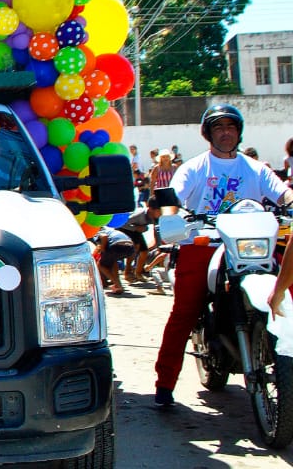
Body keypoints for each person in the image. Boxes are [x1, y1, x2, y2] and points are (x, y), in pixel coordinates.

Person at [155, 104, 292, 408]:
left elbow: (281, 192)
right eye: (219, 127)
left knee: (285, 294)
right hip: (203, 244)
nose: (226, 133)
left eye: (231, 127)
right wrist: (170, 217)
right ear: (208, 134)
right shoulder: (194, 167)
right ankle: (164, 383)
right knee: (184, 311)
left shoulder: (254, 167)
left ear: (239, 132)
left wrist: (290, 199)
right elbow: (173, 197)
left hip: (248, 244)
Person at [92, 226, 135, 295]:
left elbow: (103, 236)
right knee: (113, 261)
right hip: (130, 248)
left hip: (117, 246)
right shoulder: (113, 231)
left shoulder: (98, 231)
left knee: (100, 265)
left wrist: (103, 250)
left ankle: (118, 285)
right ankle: (117, 283)